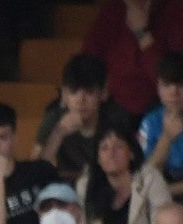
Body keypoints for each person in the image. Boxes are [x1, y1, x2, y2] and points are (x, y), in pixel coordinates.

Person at [35, 53, 134, 185]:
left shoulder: (117, 118)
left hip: (108, 186)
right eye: (74, 91)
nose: (81, 100)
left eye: (89, 92)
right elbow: (35, 173)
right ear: (64, 94)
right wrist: (58, 133)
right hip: (67, 187)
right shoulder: (54, 118)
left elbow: (132, 167)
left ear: (103, 93)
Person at [77, 124, 172, 224]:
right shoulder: (85, 184)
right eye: (104, 148)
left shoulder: (150, 179)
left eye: (118, 146)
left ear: (131, 153)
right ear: (98, 158)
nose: (111, 153)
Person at [81, 0, 183, 118]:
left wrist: (142, 33)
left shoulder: (175, 11)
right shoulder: (112, 10)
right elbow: (87, 63)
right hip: (111, 105)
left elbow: (171, 78)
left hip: (161, 105)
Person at [141, 51, 183, 197]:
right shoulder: (150, 122)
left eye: (180, 85)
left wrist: (165, 192)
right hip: (161, 200)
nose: (174, 92)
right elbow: (146, 177)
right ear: (158, 88)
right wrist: (166, 138)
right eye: (166, 85)